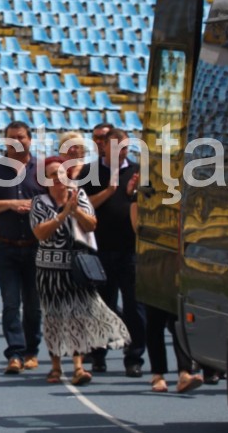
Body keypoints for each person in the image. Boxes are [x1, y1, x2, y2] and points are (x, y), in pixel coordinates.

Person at [30, 157, 130, 386]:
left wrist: (75, 211)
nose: (58, 179)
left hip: (77, 266)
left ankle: (78, 366)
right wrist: (63, 214)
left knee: (79, 316)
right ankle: (55, 367)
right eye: (52, 175)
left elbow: (91, 225)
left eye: (61, 174)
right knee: (54, 317)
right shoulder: (39, 203)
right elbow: (41, 234)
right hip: (49, 268)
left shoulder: (80, 196)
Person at [0, 121, 46, 374]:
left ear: (30, 139)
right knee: (10, 302)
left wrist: (34, 206)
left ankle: (32, 351)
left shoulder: (42, 169)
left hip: (36, 245)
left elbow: (55, 203)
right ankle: (14, 353)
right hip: (5, 246)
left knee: (34, 304)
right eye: (11, 138)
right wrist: (10, 204)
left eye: (21, 137)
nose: (17, 142)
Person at [77, 127, 146, 377]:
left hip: (130, 250)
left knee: (134, 307)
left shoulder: (139, 171)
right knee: (101, 306)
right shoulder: (89, 172)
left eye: (125, 148)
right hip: (99, 249)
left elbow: (146, 206)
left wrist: (132, 194)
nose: (121, 153)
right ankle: (98, 355)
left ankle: (134, 357)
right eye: (116, 148)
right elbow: (83, 207)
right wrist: (109, 190)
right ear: (105, 146)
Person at [127, 176, 203, 394]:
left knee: (179, 320)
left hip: (179, 268)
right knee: (155, 322)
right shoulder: (144, 195)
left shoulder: (183, 199)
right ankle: (158, 374)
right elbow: (136, 227)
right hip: (153, 265)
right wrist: (137, 194)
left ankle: (184, 373)